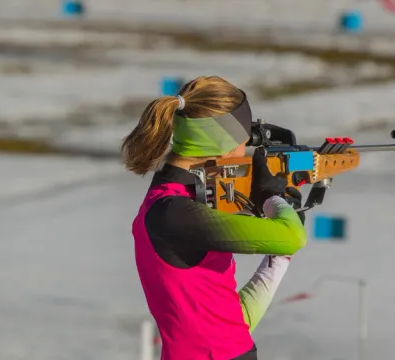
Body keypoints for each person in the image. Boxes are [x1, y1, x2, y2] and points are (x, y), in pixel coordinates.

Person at [121, 76, 307, 360]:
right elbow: (292, 236)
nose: (244, 152)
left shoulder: (169, 203)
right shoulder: (175, 214)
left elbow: (228, 326)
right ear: (224, 145)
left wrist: (276, 263)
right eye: (243, 144)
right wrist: (272, 196)